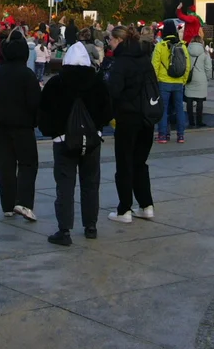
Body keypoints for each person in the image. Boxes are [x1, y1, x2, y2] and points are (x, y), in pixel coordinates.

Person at [39, 43, 112, 245]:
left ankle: (64, 230)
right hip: (91, 141)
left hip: (63, 141)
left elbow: (44, 113)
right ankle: (91, 226)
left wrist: (54, 132)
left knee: (65, 185)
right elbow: (107, 112)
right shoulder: (98, 83)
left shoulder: (56, 83)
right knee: (90, 183)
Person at [0, 30, 41, 221]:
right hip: (23, 126)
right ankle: (24, 202)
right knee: (27, 164)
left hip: (1, 126)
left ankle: (8, 205)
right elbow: (35, 102)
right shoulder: (27, 75)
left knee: (6, 165)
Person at [105, 25, 157, 223]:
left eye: (111, 39)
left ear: (119, 40)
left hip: (128, 118)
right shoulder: (145, 59)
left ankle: (124, 209)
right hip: (147, 117)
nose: (109, 43)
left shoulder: (121, 63)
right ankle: (146, 205)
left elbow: (113, 91)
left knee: (124, 163)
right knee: (140, 163)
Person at [152, 20, 190, 144]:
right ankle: (181, 135)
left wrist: (155, 80)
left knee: (163, 109)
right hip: (178, 82)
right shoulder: (182, 46)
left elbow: (155, 65)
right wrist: (183, 80)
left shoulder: (160, 46)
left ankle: (163, 135)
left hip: (163, 82)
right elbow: (187, 66)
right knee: (179, 108)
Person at [183, 33, 213, 127]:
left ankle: (191, 121)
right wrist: (207, 77)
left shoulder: (186, 51)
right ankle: (199, 121)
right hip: (201, 78)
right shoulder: (204, 53)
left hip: (189, 78)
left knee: (189, 100)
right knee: (200, 101)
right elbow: (208, 68)